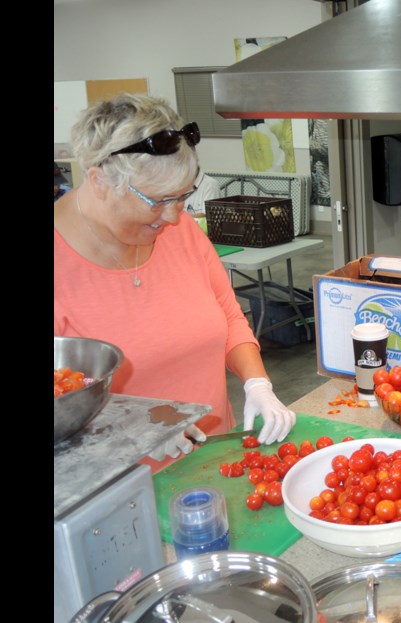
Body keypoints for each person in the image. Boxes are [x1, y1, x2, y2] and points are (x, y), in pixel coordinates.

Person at [53, 93, 296, 471]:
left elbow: (229, 317)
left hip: (218, 459)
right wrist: (132, 430)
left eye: (182, 197)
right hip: (117, 489)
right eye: (157, 200)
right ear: (100, 181)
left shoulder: (181, 231)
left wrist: (257, 384)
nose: (172, 217)